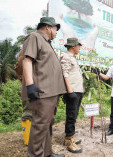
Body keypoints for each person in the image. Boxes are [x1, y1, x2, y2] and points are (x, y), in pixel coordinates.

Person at [22, 17, 66, 157]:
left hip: (51, 93)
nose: (56, 32)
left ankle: (47, 153)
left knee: (47, 125)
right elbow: (27, 59)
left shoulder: (47, 43)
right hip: (42, 92)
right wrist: (30, 85)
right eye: (55, 29)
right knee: (40, 126)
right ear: (48, 27)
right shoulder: (34, 37)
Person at [60, 38, 84, 153]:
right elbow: (64, 73)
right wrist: (70, 91)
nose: (79, 48)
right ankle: (68, 141)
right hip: (72, 91)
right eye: (78, 46)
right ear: (73, 46)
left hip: (77, 91)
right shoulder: (66, 57)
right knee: (71, 116)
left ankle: (70, 136)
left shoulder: (73, 58)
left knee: (74, 115)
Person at [15, 49, 33, 146]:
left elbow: (17, 71)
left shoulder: (22, 54)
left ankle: (30, 139)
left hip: (26, 86)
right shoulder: (26, 54)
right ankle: (28, 140)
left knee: (29, 112)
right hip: (29, 87)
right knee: (28, 113)